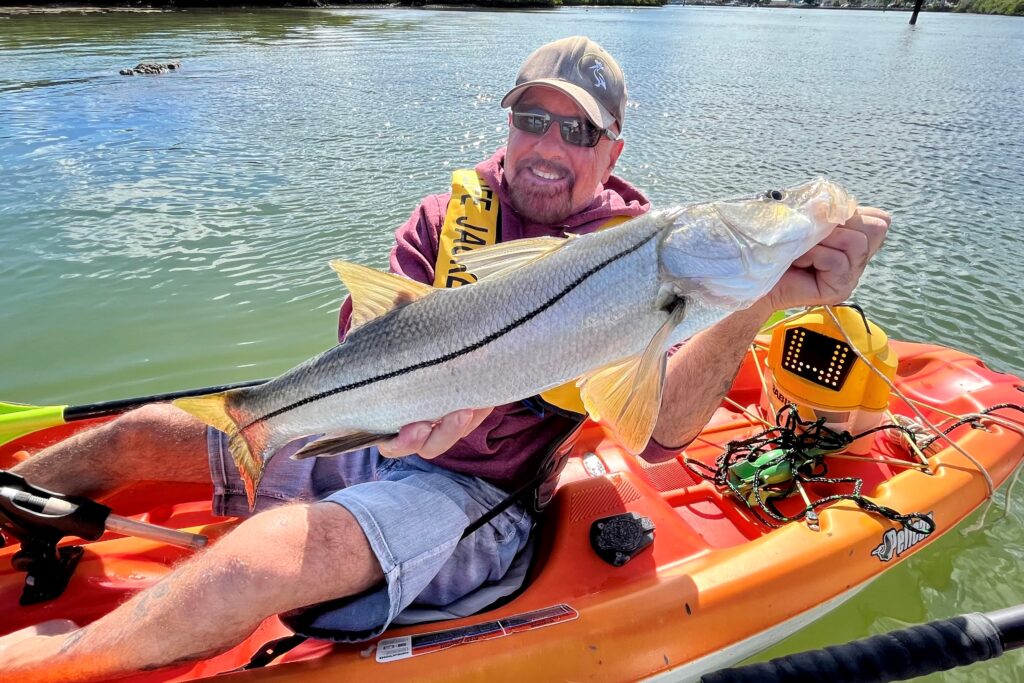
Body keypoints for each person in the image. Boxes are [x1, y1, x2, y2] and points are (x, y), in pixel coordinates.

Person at [1, 36, 890, 681]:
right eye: (532, 120)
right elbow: (372, 338)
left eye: (579, 132)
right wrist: (373, 420)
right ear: (510, 126)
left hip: (475, 496)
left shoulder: (646, 250)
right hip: (377, 426)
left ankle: (50, 667)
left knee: (261, 557)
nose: (548, 147)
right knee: (142, 432)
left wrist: (767, 298)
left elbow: (657, 436)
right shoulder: (443, 218)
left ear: (614, 149)